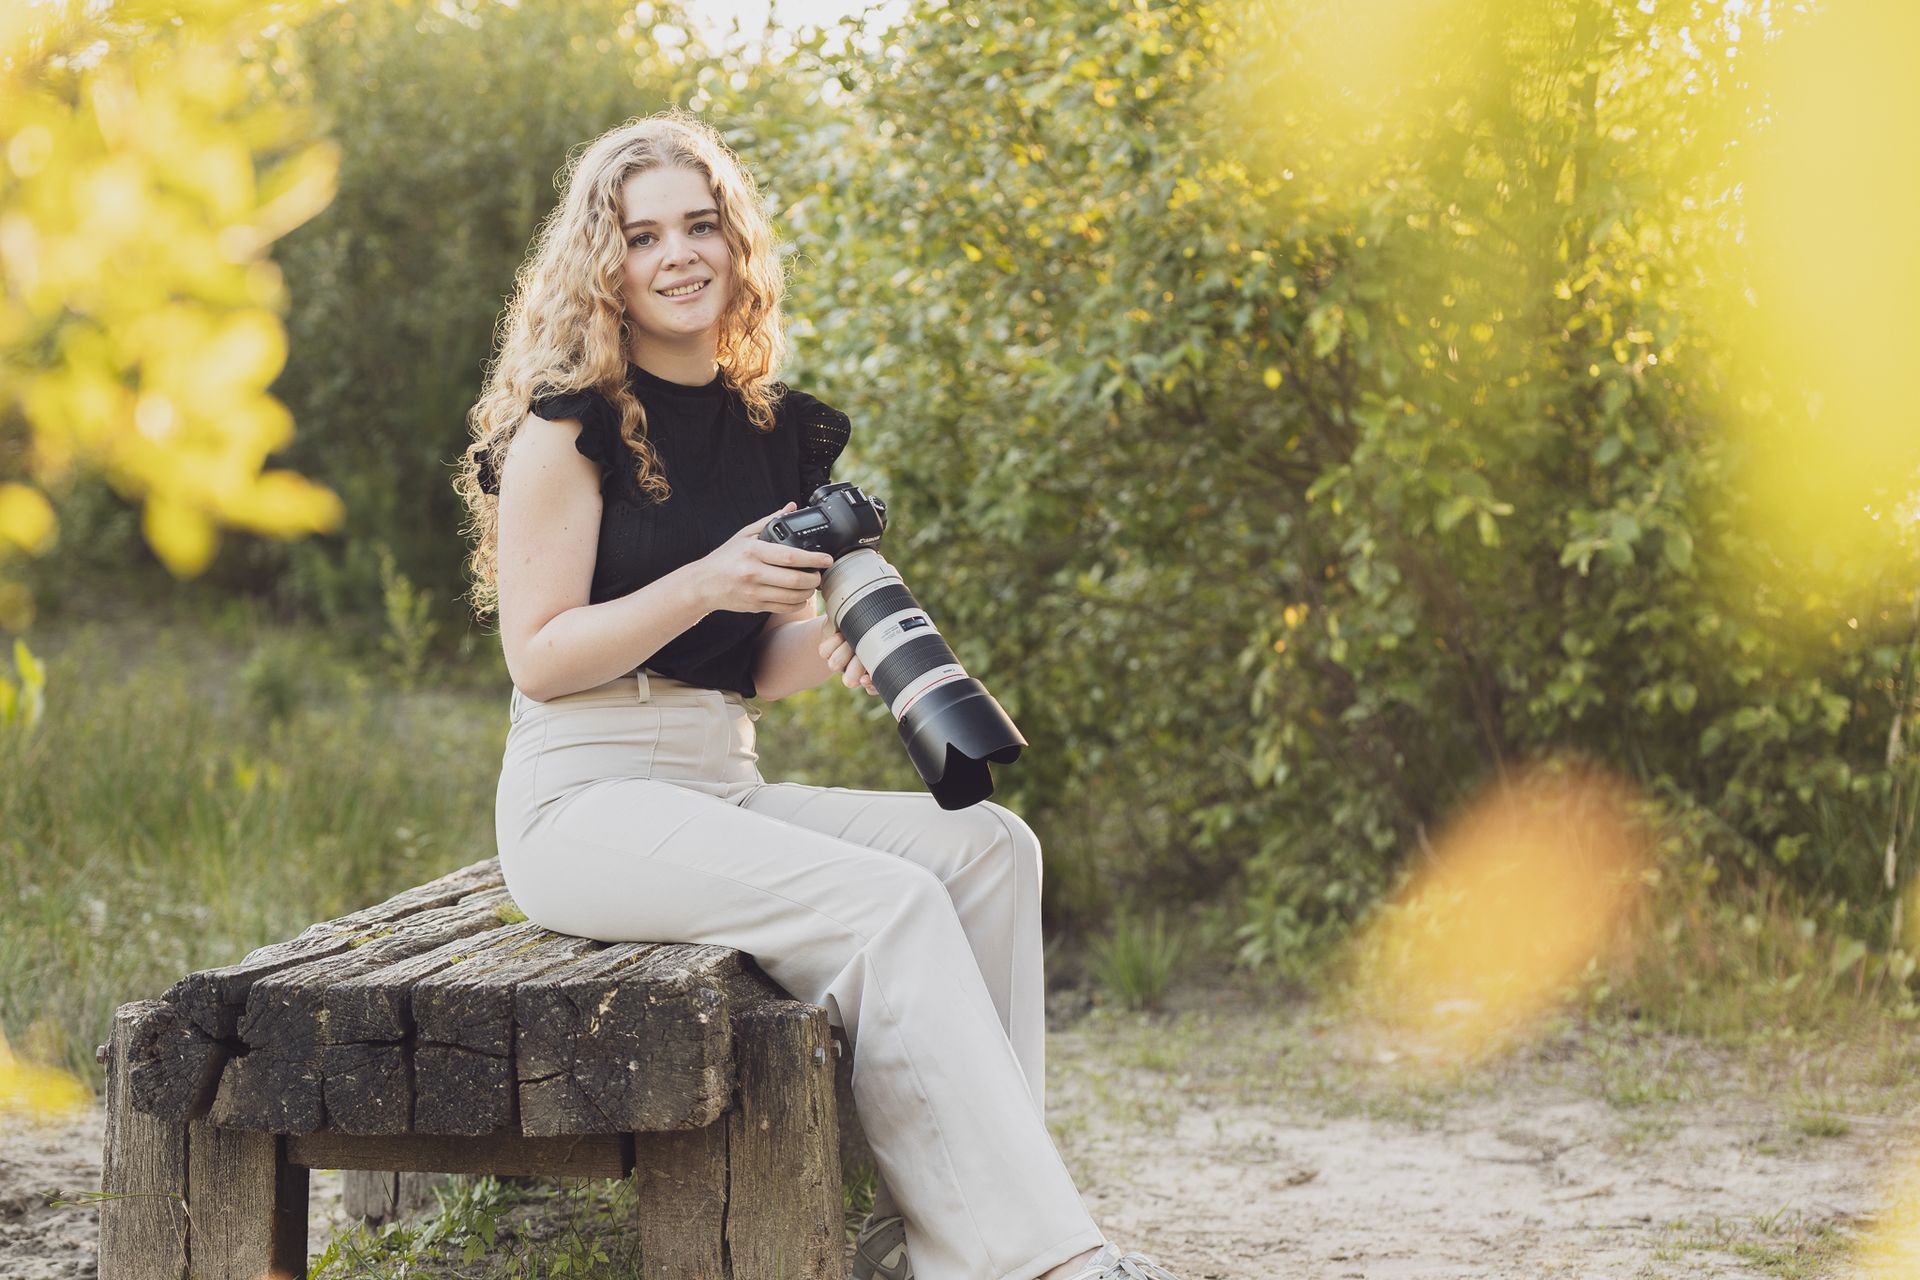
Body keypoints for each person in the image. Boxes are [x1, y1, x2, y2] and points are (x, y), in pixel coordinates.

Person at [453, 109, 1186, 1280]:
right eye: (645, 237)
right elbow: (540, 655)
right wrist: (709, 579)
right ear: (608, 267)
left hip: (714, 779)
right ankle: (1037, 1264)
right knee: (888, 905)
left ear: (736, 244)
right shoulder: (567, 428)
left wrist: (836, 648)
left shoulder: (772, 430)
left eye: (702, 224)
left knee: (993, 850)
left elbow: (748, 662)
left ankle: (942, 1229)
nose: (680, 253)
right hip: (581, 801)